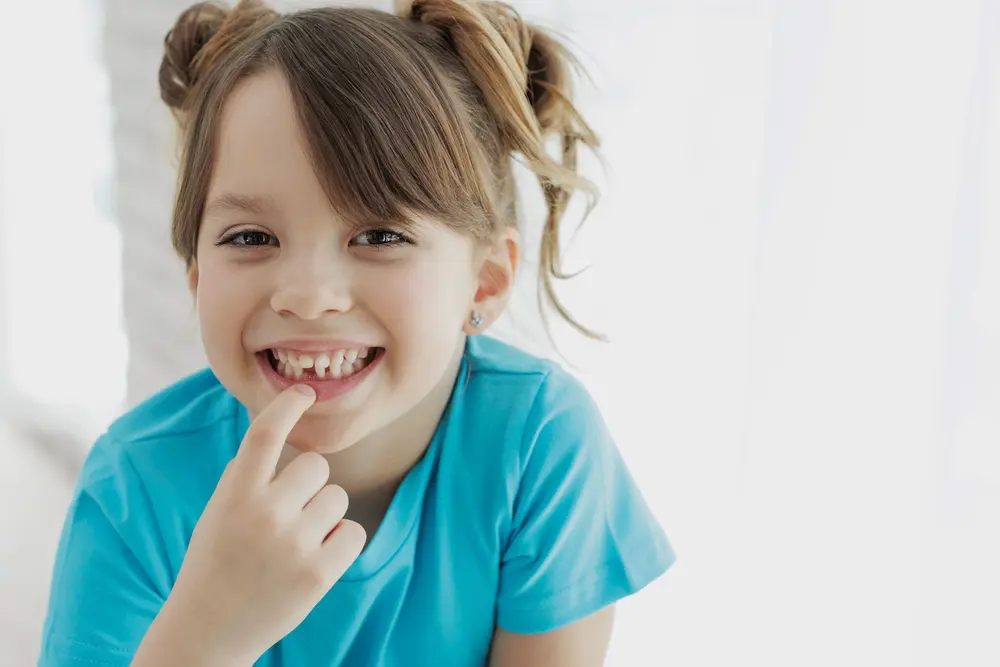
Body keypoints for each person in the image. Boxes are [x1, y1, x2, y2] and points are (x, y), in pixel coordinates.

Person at [37, 1, 675, 665]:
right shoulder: (134, 484)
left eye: (379, 235)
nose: (309, 297)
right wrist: (205, 632)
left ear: (482, 281)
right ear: (197, 275)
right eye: (251, 236)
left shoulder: (538, 444)